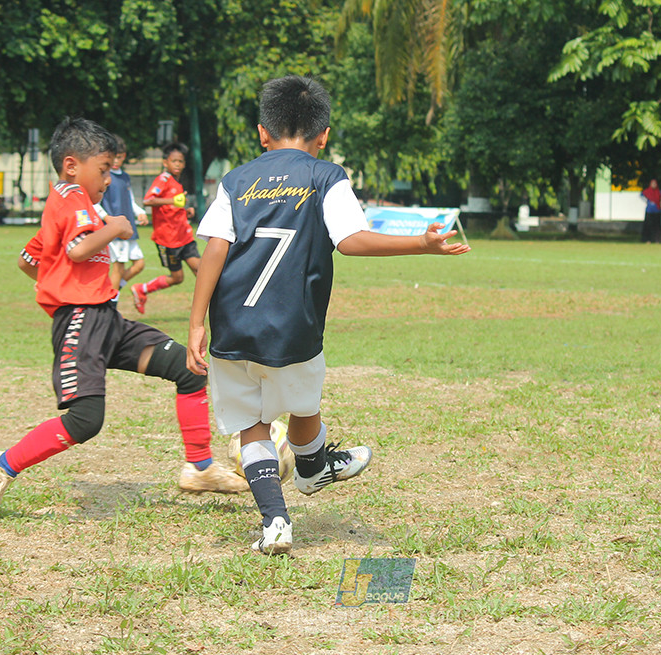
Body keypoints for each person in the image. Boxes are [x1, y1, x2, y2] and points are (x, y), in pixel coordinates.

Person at [186, 75, 470, 555]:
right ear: (324, 136)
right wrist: (421, 244)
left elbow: (215, 248)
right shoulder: (325, 175)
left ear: (261, 132)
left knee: (250, 426)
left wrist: (196, 323)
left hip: (232, 324)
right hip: (293, 325)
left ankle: (276, 520)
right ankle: (315, 469)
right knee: (303, 408)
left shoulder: (235, 180)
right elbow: (351, 240)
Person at [0, 118, 247, 525]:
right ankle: (0, 466)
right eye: (103, 169)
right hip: (81, 322)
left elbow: (29, 259)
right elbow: (81, 250)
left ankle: (200, 467)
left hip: (106, 318)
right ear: (71, 166)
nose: (109, 177)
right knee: (85, 420)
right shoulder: (71, 197)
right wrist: (116, 227)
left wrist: (59, 279)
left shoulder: (69, 203)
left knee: (187, 370)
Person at [131, 143, 199, 314]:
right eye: (174, 161)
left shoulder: (176, 182)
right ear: (165, 162)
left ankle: (217, 306)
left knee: (202, 271)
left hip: (184, 236)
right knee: (177, 278)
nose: (178, 164)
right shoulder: (163, 179)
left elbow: (173, 206)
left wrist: (185, 211)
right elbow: (148, 200)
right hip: (168, 240)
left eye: (181, 161)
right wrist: (173, 201)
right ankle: (142, 289)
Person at [93, 135, 147, 301]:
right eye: (113, 157)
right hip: (115, 230)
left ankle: (111, 291)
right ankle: (111, 303)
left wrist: (140, 212)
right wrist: (107, 217)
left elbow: (129, 200)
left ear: (124, 156)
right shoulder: (105, 178)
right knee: (118, 267)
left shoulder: (125, 177)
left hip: (128, 228)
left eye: (119, 156)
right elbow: (95, 202)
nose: (116, 160)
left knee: (139, 264)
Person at [640, 179, 661, 244]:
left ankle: (657, 240)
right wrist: (647, 201)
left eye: (655, 183)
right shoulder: (647, 191)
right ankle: (648, 240)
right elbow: (641, 196)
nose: (654, 185)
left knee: (657, 226)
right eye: (652, 183)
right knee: (648, 226)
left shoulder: (659, 192)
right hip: (649, 211)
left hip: (657, 211)